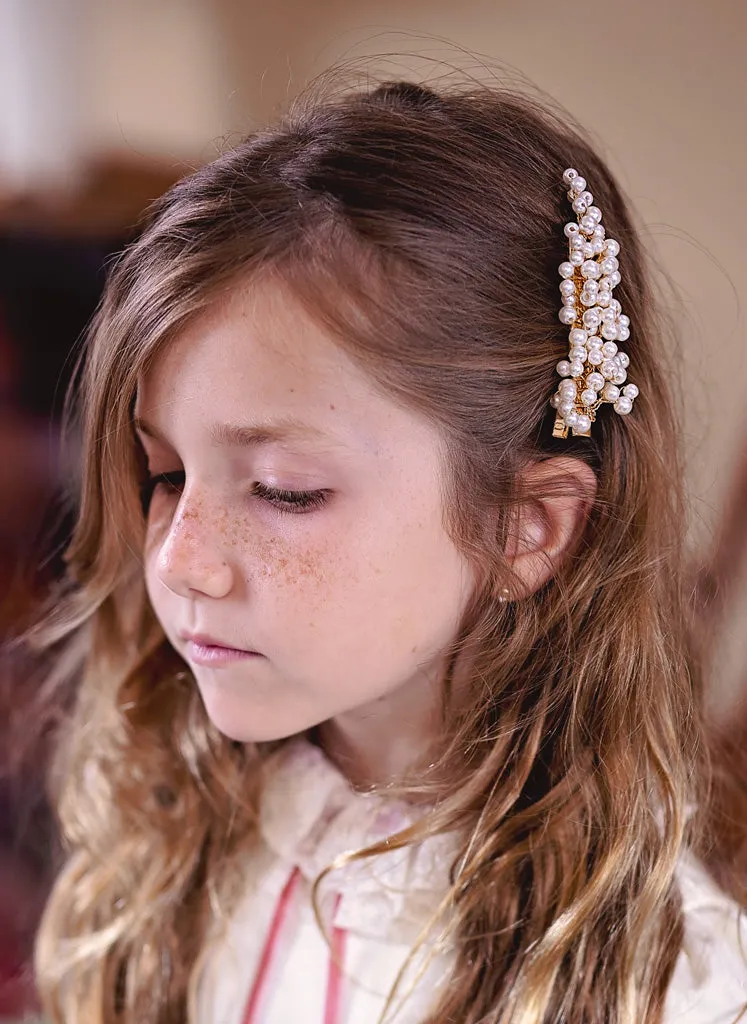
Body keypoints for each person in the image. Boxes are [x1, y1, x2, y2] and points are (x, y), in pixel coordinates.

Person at [27, 78, 746, 1023]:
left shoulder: (658, 989)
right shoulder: (168, 846)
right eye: (164, 476)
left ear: (524, 528)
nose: (177, 560)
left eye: (286, 490)